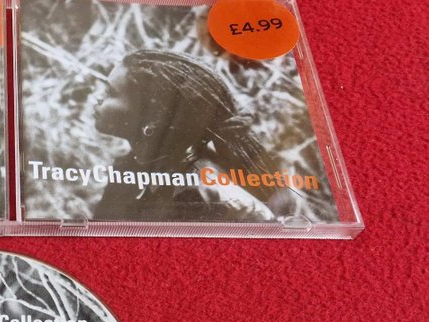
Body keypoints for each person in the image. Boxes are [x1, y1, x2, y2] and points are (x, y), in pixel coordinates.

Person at [93, 50, 298, 221]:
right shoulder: (132, 165)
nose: (97, 98)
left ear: (153, 118)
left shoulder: (200, 195)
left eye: (111, 93)